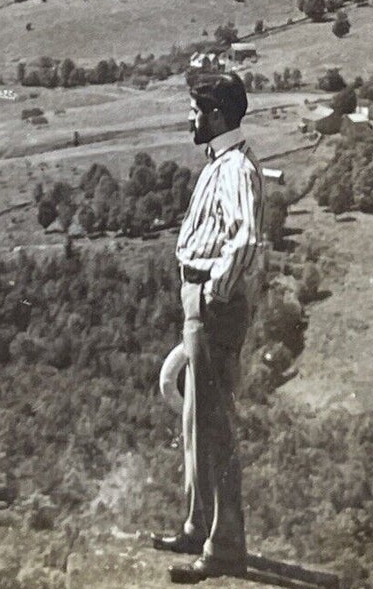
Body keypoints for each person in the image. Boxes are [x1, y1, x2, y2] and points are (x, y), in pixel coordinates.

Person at [151, 68, 265, 583]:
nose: (190, 118)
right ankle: (198, 525)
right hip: (198, 299)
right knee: (196, 422)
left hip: (212, 304)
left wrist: (215, 288)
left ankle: (224, 548)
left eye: (196, 110)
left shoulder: (236, 167)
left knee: (216, 430)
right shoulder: (220, 163)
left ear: (216, 114)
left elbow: (245, 238)